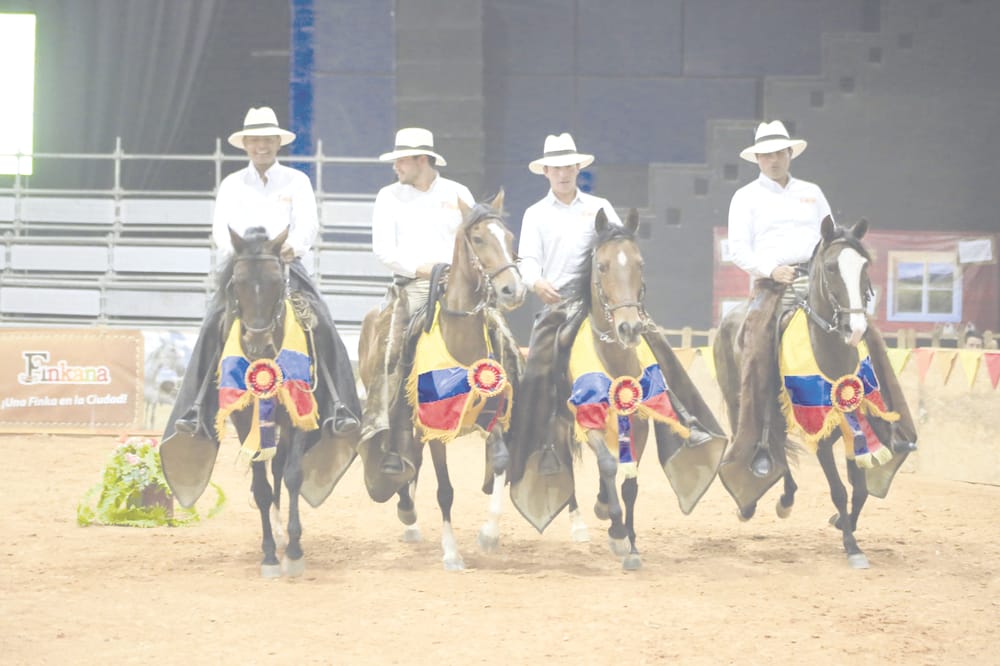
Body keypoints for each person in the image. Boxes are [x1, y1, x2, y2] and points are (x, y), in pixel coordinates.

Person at [724, 120, 915, 476]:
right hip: (773, 284)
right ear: (758, 160)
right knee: (758, 348)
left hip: (820, 279)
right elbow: (738, 250)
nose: (773, 160)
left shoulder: (812, 191)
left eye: (779, 152)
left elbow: (833, 237)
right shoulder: (745, 198)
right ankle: (763, 439)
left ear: (789, 154)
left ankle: (889, 425)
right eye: (766, 155)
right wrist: (770, 270)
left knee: (866, 334)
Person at [165, 106, 360, 443]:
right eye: (255, 141)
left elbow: (308, 224)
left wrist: (291, 248)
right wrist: (244, 256)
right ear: (246, 145)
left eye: (267, 140)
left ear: (276, 143)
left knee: (322, 323)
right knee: (212, 325)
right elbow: (220, 231)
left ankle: (339, 405)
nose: (261, 147)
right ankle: (194, 408)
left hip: (286, 264)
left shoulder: (296, 181)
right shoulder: (232, 184)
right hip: (243, 268)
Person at [359, 127, 475, 478]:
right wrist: (419, 268)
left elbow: (475, 240)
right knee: (391, 351)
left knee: (495, 335)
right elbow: (383, 249)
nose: (396, 167)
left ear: (421, 160)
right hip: (411, 285)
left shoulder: (458, 194)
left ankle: (502, 414)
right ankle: (388, 431)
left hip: (457, 286)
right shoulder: (388, 196)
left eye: (402, 161)